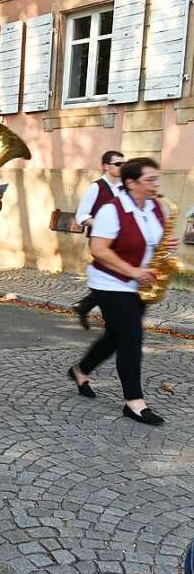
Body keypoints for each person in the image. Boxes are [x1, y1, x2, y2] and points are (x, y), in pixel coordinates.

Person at [67, 158, 175, 426]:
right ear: (131, 182)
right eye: (150, 180)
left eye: (156, 179)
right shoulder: (112, 210)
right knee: (131, 337)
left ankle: (80, 370)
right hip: (110, 283)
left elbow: (152, 241)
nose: (155, 184)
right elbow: (99, 249)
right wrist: (133, 270)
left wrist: (165, 245)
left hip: (140, 284)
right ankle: (134, 402)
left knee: (115, 337)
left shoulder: (155, 207)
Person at [72, 151, 126, 329]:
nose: (121, 167)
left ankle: (84, 306)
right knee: (110, 278)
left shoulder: (123, 188)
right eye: (118, 164)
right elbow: (81, 216)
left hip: (120, 242)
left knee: (113, 279)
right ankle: (111, 323)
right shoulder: (96, 187)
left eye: (123, 164)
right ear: (106, 166)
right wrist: (102, 225)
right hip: (101, 242)